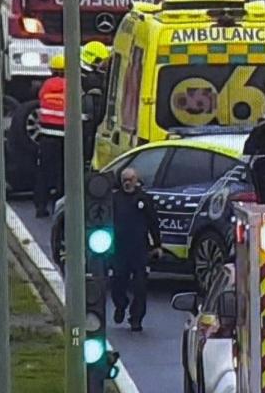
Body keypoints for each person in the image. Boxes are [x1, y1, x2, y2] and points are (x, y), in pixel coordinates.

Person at [111, 168, 163, 332]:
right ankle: (120, 305)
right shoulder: (115, 199)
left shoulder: (144, 199)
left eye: (130, 179)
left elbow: (153, 222)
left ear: (136, 180)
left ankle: (136, 318)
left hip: (140, 249)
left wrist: (157, 245)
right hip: (119, 249)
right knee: (117, 282)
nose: (127, 183)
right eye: (124, 180)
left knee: (140, 286)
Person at [34, 54, 66, 217]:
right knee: (63, 173)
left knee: (44, 173)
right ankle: (60, 209)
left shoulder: (46, 87)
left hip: (46, 137)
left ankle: (40, 207)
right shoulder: (71, 86)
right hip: (65, 138)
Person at [81, 40, 111, 165]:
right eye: (101, 62)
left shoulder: (82, 75)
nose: (104, 65)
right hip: (87, 120)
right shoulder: (88, 78)